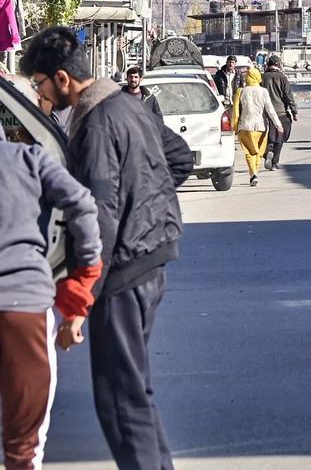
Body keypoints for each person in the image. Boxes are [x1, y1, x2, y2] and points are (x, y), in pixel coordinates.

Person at [21, 26, 193, 470]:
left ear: (61, 79)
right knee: (134, 394)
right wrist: (146, 206)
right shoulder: (127, 105)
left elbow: (99, 215)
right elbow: (179, 158)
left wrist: (79, 303)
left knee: (119, 402)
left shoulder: (96, 122)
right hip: (152, 259)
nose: (39, 93)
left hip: (123, 272)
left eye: (39, 84)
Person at [0, 124, 102, 470]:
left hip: (24, 300)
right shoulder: (28, 159)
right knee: (24, 442)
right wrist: (86, 266)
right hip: (24, 303)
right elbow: (82, 203)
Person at [233, 67, 283, 185]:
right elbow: (270, 110)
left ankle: (253, 174)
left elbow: (235, 112)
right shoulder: (264, 91)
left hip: (245, 126)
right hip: (260, 127)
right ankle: (255, 172)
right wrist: (278, 125)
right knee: (258, 152)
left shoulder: (240, 91)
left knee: (249, 152)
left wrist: (234, 127)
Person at [261, 53, 298, 170]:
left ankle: (268, 151)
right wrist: (294, 111)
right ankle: (274, 162)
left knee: (268, 135)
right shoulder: (282, 77)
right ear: (278, 65)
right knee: (280, 137)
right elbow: (288, 95)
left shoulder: (263, 77)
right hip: (281, 112)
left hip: (265, 113)